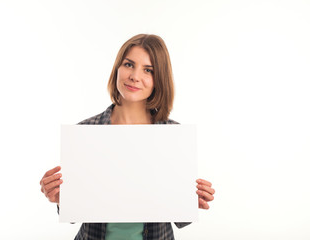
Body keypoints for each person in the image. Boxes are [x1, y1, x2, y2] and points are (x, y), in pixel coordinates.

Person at [40, 34, 215, 240]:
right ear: (117, 68)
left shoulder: (172, 136)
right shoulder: (86, 131)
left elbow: (180, 220)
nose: (134, 76)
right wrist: (62, 199)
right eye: (129, 64)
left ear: (159, 80)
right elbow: (74, 214)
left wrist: (191, 201)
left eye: (148, 70)